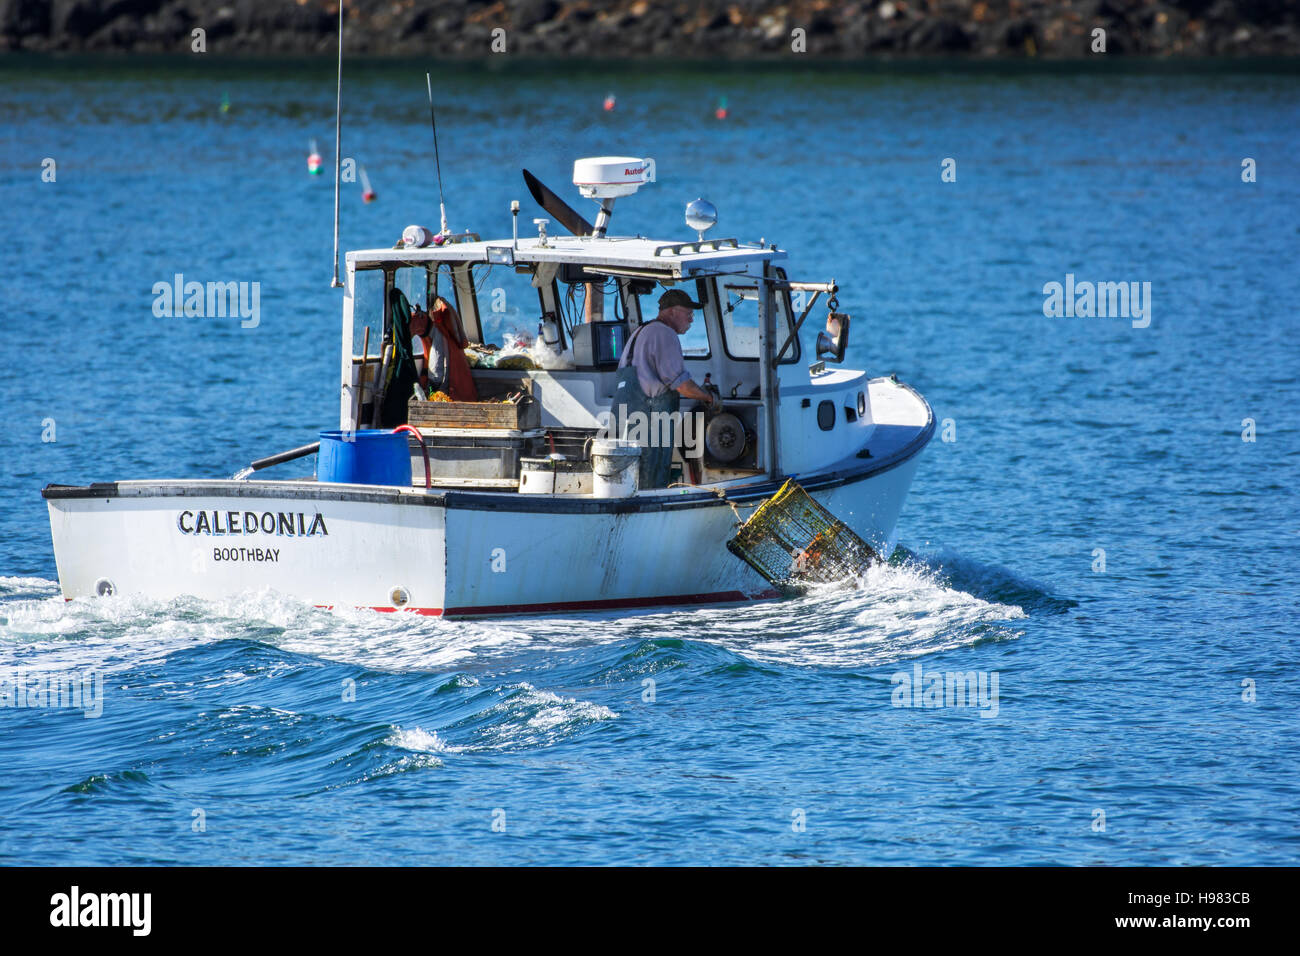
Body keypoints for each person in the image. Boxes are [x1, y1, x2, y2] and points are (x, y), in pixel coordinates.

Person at [614, 288, 719, 489]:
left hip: (624, 416)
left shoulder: (641, 331)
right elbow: (682, 385)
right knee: (650, 480)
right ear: (672, 312)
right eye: (688, 314)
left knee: (628, 478)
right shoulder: (665, 333)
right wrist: (709, 398)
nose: (691, 320)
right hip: (649, 419)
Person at [409, 295, 478, 402]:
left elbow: (436, 374)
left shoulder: (440, 338)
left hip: (448, 396)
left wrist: (429, 389)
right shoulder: (447, 336)